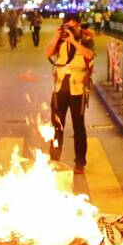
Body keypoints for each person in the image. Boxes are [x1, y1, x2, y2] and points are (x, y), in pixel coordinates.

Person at [47, 12, 94, 172]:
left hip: (78, 89)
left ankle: (80, 162)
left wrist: (73, 41)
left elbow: (90, 55)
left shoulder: (86, 39)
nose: (71, 29)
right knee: (57, 126)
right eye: (68, 26)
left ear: (79, 26)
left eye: (74, 26)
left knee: (78, 126)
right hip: (60, 88)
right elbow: (48, 53)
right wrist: (56, 36)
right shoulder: (60, 39)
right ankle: (54, 159)